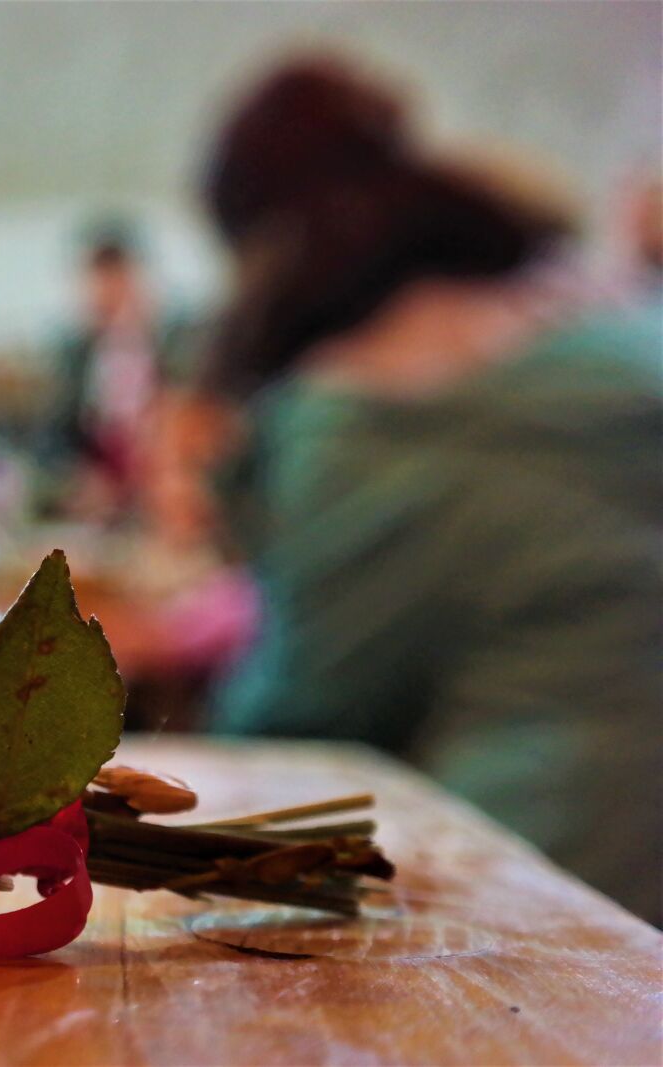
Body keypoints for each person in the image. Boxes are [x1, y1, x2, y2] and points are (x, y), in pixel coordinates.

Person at [152, 56, 663, 923]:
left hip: (582, 907)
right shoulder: (596, 313)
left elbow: (294, 734)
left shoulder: (361, 411)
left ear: (257, 250)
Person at [46, 221, 164, 520]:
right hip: (98, 500)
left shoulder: (172, 346)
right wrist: (78, 478)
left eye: (118, 277)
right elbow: (56, 436)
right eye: (100, 279)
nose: (109, 291)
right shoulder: (75, 355)